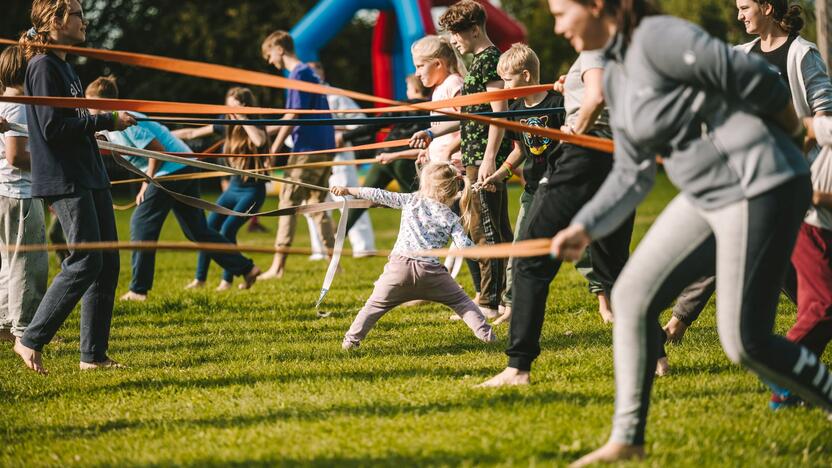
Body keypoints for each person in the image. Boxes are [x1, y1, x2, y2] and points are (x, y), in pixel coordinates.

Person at [542, 0, 832, 464]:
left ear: (597, 6)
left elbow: (761, 80)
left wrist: (789, 137)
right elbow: (631, 173)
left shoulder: (660, 38)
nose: (557, 28)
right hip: (706, 196)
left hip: (761, 185)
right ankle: (628, 441)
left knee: (746, 343)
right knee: (632, 298)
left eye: (560, 13)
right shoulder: (616, 74)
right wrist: (584, 226)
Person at [661, 0, 832, 375]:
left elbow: (824, 113)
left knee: (798, 276)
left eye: (744, 7)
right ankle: (677, 324)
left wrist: (798, 145)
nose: (739, 15)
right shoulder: (741, 55)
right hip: (745, 173)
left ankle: (806, 337)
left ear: (767, 7)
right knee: (733, 244)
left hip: (790, 177)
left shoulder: (802, 54)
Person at [478, 40, 634, 386]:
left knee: (530, 260)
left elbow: (596, 98)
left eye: (562, 13)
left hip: (580, 162)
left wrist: (575, 127)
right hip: (615, 162)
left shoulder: (596, 51)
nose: (559, 27)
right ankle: (656, 356)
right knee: (614, 266)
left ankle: (518, 367)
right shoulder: (614, 50)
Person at [14, 0, 137, 374]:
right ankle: (30, 338)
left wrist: (96, 126)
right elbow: (52, 128)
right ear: (56, 20)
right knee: (85, 259)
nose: (85, 21)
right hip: (65, 177)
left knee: (107, 264)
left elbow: (74, 121)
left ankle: (93, 357)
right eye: (79, 14)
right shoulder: (43, 67)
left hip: (89, 172)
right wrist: (107, 119)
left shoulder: (65, 66)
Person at [87, 78, 261, 299]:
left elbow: (156, 151)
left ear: (108, 103)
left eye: (93, 104)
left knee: (141, 223)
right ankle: (247, 268)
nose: (89, 109)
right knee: (197, 231)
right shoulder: (110, 124)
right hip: (184, 165)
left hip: (172, 168)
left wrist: (146, 183)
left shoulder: (125, 117)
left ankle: (138, 290)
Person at [412, 1, 514, 318]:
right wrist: (433, 132)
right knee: (485, 228)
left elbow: (500, 116)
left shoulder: (490, 62)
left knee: (484, 231)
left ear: (474, 30)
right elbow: (472, 116)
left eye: (457, 33)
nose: (454, 41)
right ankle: (504, 297)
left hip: (482, 159)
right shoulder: (479, 63)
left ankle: (489, 302)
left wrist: (489, 159)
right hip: (472, 155)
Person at [334, 161, 496, 350]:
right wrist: (484, 253)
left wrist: (348, 190)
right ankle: (488, 338)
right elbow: (464, 248)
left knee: (373, 307)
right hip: (432, 275)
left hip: (398, 271)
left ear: (426, 184)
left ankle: (350, 342)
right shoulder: (451, 217)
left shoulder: (411, 200)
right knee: (462, 303)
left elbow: (378, 194)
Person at [258, 31, 336, 280]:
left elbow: (293, 116)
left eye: (269, 55)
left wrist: (273, 149)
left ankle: (277, 267)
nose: (270, 61)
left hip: (307, 150)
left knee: (288, 203)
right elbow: (294, 114)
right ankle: (335, 264)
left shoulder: (298, 74)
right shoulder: (310, 74)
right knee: (318, 205)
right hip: (324, 147)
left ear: (279, 49)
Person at [0, 45, 48, 347]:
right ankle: (24, 330)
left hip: (7, 192)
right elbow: (16, 157)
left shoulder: (5, 101)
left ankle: (5, 324)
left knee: (10, 263)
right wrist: (52, 161)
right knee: (29, 265)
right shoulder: (17, 104)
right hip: (20, 193)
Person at [340, 74, 430, 233]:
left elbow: (373, 125)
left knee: (363, 198)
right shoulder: (434, 108)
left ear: (415, 89)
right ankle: (418, 239)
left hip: (384, 156)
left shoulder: (403, 106)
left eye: (408, 88)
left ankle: (339, 232)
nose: (407, 92)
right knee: (415, 203)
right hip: (406, 160)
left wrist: (345, 136)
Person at [305, 61, 376, 259]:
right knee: (314, 203)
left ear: (322, 74)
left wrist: (342, 134)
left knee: (347, 199)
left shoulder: (335, 95)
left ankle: (363, 246)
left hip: (339, 158)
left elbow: (359, 119)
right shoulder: (302, 97)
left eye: (315, 73)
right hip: (312, 158)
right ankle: (320, 249)